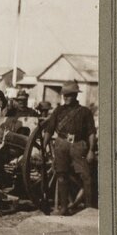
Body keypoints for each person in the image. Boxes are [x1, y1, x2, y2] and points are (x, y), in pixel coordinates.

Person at [42, 81, 97, 215]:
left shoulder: (85, 112)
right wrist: (44, 146)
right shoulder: (58, 111)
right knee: (61, 175)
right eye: (64, 95)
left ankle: (89, 209)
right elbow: (49, 130)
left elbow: (91, 132)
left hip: (78, 145)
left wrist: (90, 150)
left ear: (75, 96)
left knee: (86, 176)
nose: (66, 97)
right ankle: (64, 208)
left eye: (69, 95)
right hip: (61, 143)